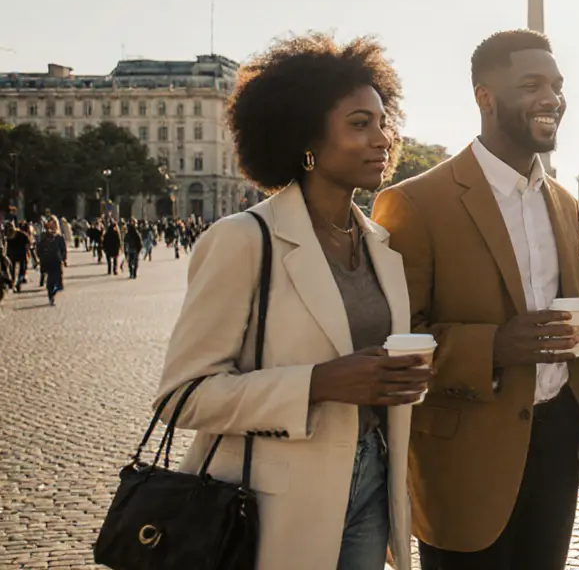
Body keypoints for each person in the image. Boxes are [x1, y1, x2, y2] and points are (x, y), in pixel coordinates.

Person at [154, 32, 427, 569]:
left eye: (382, 121)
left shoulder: (380, 245)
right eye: (359, 124)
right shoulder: (243, 239)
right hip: (270, 500)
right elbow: (181, 396)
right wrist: (318, 384)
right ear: (305, 138)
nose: (383, 139)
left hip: (372, 483)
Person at [372, 29, 579, 570]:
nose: (552, 97)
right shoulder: (415, 201)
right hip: (464, 458)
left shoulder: (564, 203)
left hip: (554, 445)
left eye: (557, 84)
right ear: (484, 97)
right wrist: (493, 347)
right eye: (532, 84)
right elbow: (391, 342)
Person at [36, 219, 67, 305]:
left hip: (57, 261)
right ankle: (51, 296)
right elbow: (39, 248)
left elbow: (63, 249)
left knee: (59, 283)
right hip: (48, 261)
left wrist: (64, 259)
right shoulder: (44, 236)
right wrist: (40, 257)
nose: (51, 227)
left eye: (53, 225)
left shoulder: (59, 237)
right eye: (50, 225)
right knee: (50, 280)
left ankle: (53, 292)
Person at [5, 221, 32, 292]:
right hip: (21, 254)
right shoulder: (21, 234)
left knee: (12, 270)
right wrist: (28, 250)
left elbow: (6, 246)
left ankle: (13, 284)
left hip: (12, 255)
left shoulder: (7, 236)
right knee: (21, 271)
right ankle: (17, 284)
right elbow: (28, 242)